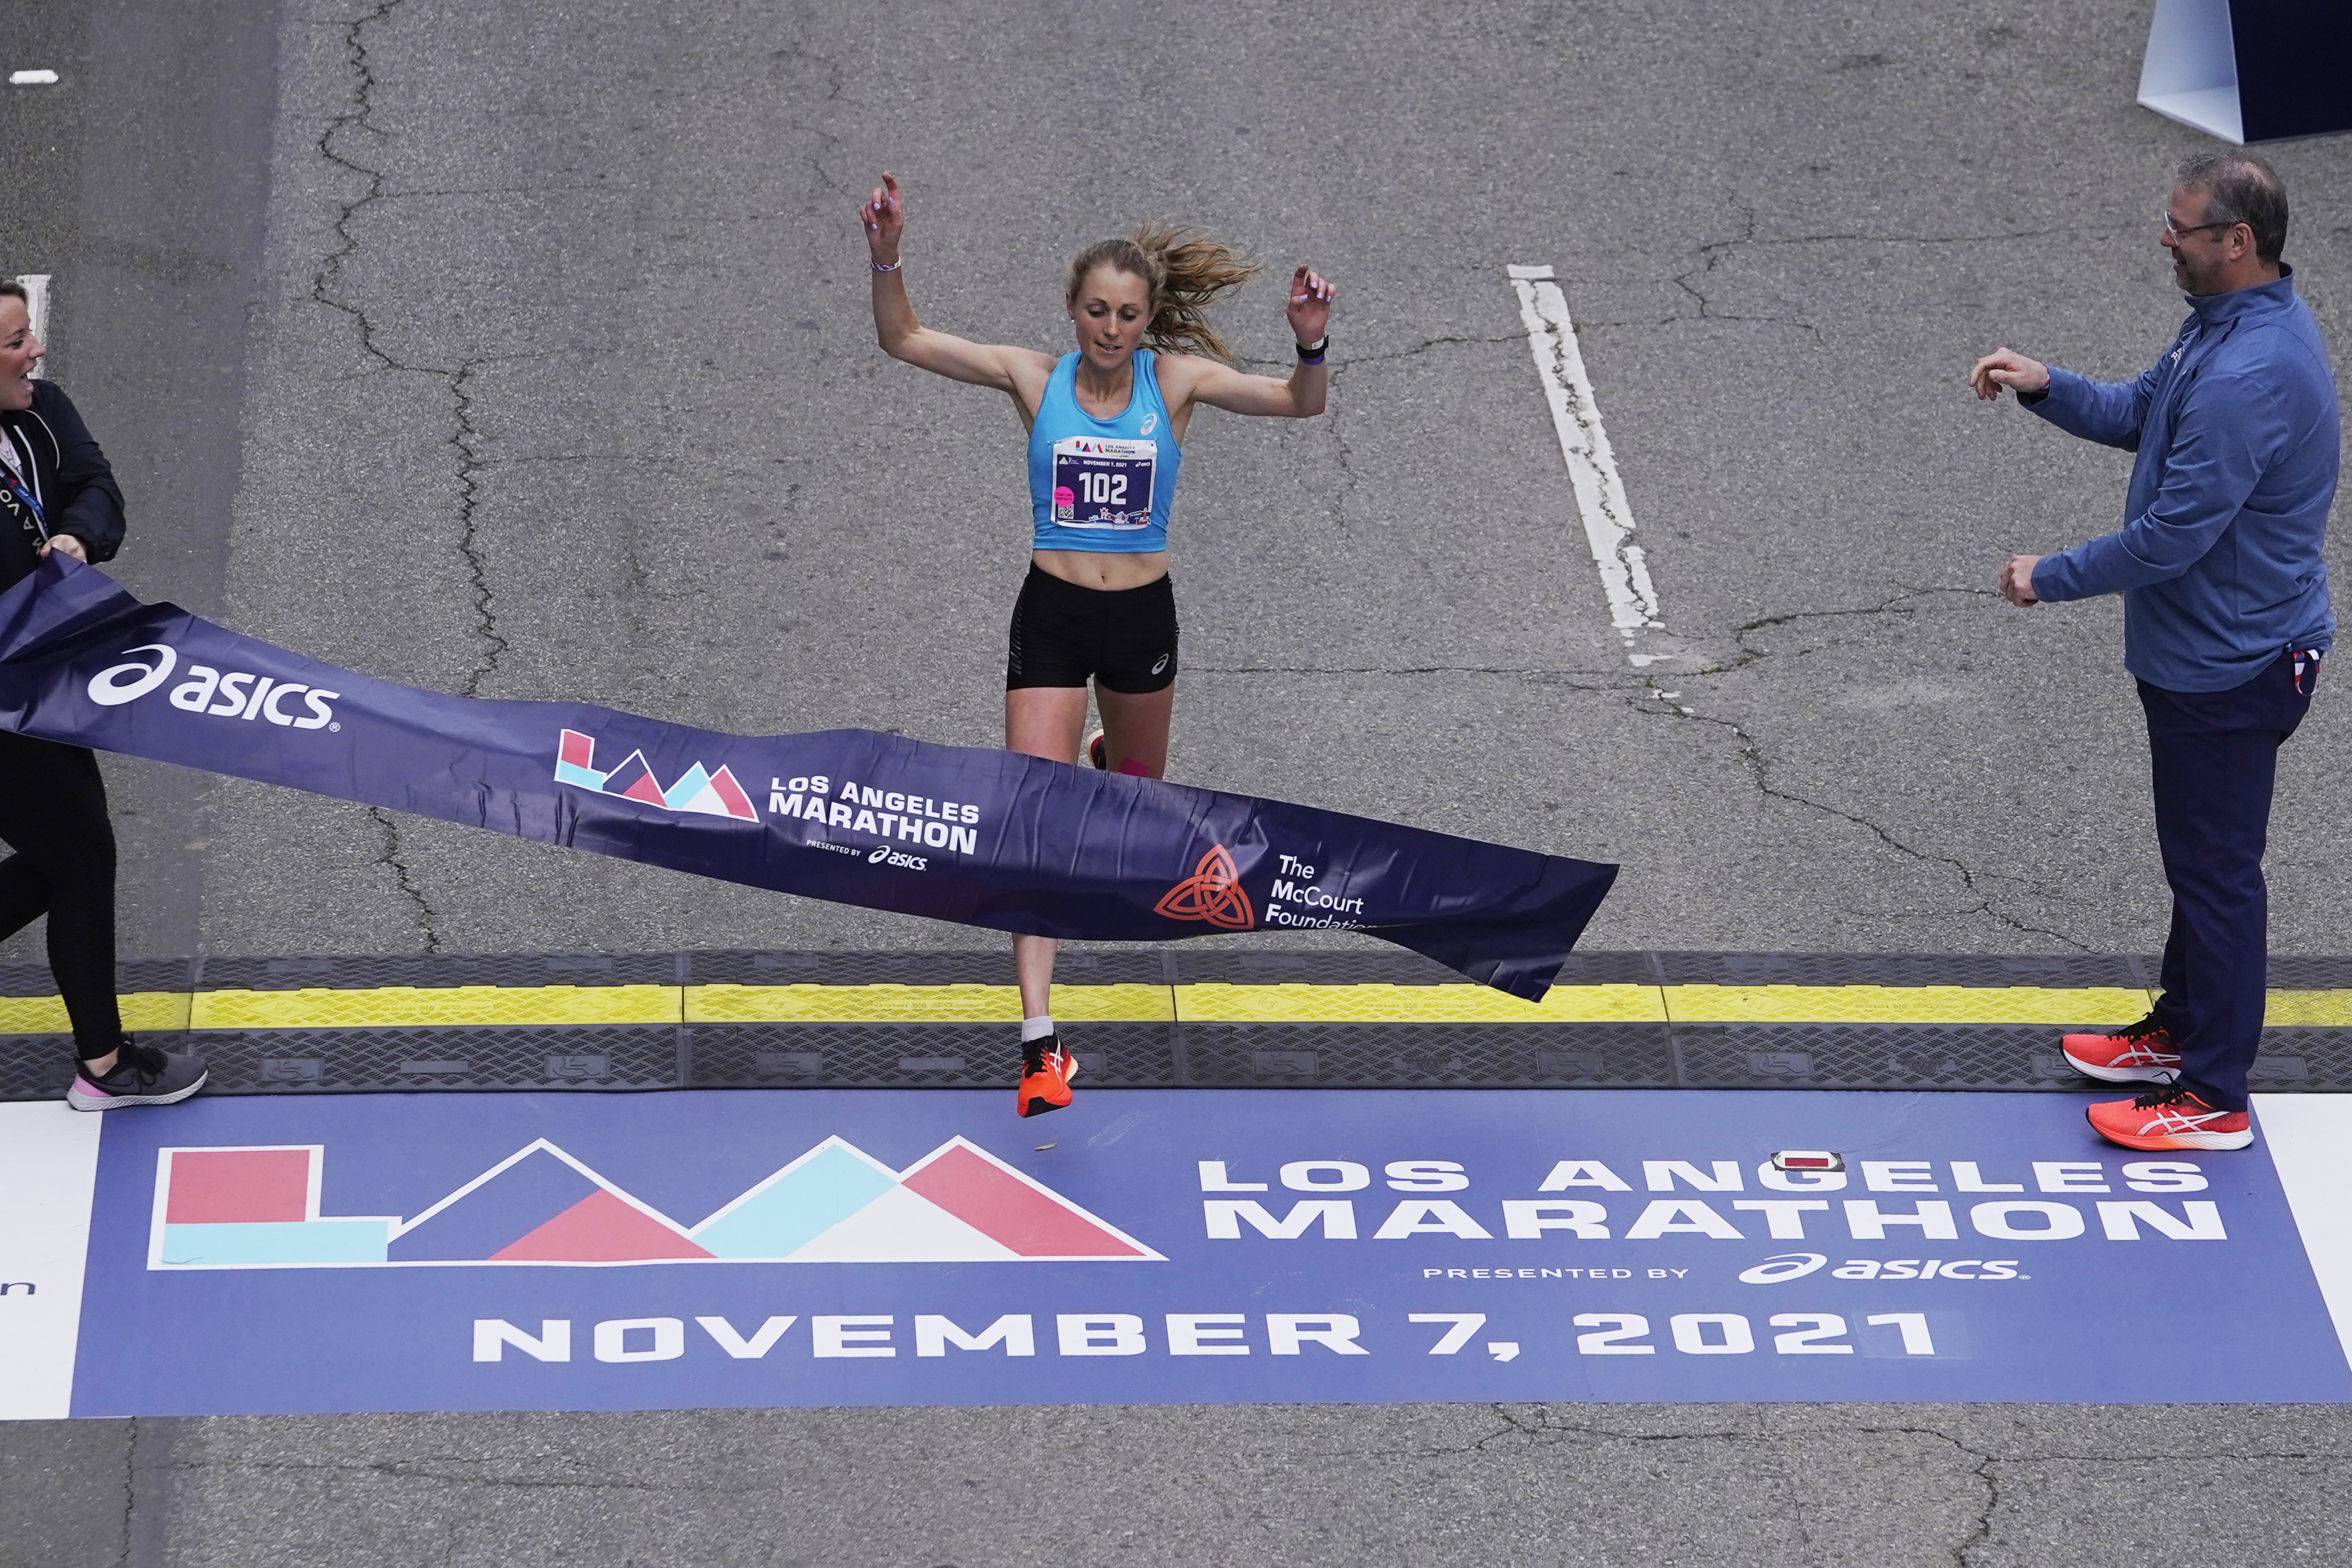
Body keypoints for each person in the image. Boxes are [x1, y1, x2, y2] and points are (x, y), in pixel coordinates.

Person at [860, 173, 1335, 1118]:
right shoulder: (1036, 379)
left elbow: (1300, 404)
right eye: (1093, 313)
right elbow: (903, 338)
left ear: (1148, 319)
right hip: (1054, 613)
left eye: (1125, 315)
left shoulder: (1178, 384)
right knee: (1033, 831)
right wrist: (887, 252)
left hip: (1141, 623)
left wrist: (1311, 343)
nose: (1109, 331)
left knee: (1135, 798)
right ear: (1072, 312)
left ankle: (1109, 756)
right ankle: (1039, 1042)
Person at [1969, 153, 2336, 1153]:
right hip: (2206, 655)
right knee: (2200, 862)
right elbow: (2144, 413)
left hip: (2233, 665)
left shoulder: (2250, 372)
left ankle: (2211, 1096)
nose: (2163, 238)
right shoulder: (2223, 327)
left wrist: (2050, 573)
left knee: (2218, 876)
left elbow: (2176, 535)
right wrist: (2050, 387)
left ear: (2238, 242)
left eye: (2181, 228)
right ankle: (2178, 1030)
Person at [0, 278, 206, 1110]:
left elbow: (97, 485)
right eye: (16, 343)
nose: (36, 352)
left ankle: (105, 1064)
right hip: (5, 701)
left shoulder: (42, 410)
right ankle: (105, 1067)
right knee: (82, 859)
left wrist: (78, 537)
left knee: (77, 858)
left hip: (44, 683)